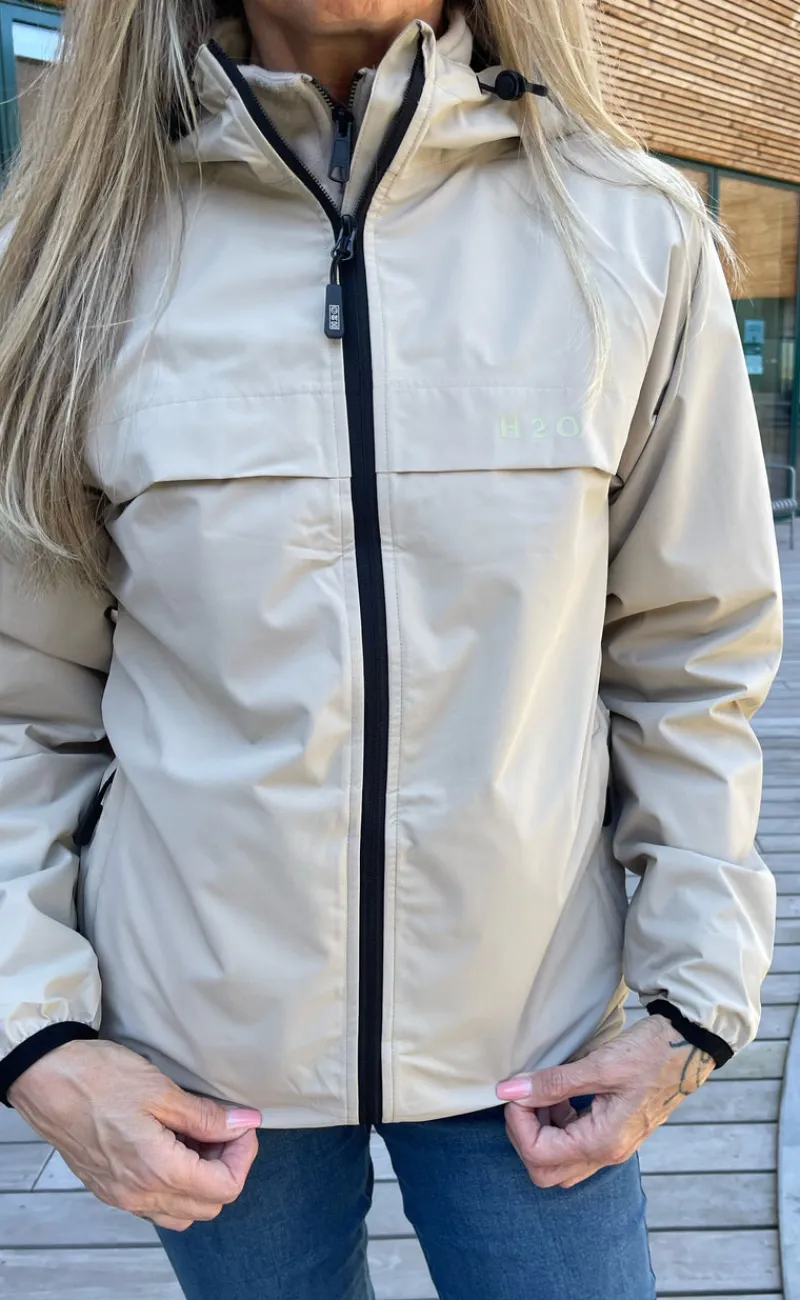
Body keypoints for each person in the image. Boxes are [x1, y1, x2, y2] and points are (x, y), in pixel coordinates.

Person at [0, 0, 782, 1296]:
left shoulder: (629, 235)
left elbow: (690, 657)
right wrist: (35, 1033)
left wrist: (693, 1001)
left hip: (536, 1037)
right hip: (202, 1060)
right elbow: (21, 701)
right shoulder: (71, 255)